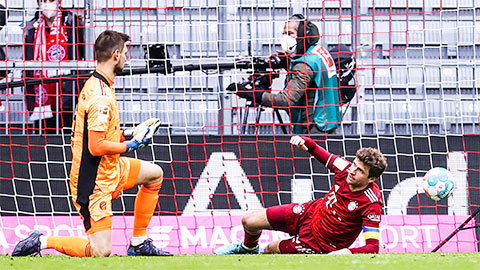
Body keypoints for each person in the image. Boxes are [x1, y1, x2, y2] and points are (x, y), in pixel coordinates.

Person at [12, 30, 172, 257]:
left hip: (111, 168)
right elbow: (96, 147)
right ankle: (42, 240)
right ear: (116, 55)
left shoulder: (99, 84)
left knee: (154, 174)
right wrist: (133, 144)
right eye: (126, 53)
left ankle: (138, 242)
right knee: (100, 252)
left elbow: (98, 133)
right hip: (93, 182)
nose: (127, 58)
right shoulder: (100, 96)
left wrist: (128, 133)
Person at [215, 135, 387, 255]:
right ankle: (247, 249)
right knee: (249, 221)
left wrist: (347, 252)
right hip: (309, 213)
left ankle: (262, 251)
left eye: (359, 171)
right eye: (354, 165)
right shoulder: (345, 168)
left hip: (318, 244)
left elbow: (372, 247)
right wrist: (303, 141)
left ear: (371, 178)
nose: (352, 171)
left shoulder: (371, 203)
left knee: (269, 250)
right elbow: (315, 148)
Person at [231, 14, 342, 134]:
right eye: (284, 34)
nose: (285, 37)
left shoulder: (303, 65)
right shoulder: (319, 52)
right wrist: (289, 63)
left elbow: (286, 100)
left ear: (303, 35)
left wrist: (249, 93)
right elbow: (312, 80)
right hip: (327, 123)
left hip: (313, 129)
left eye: (290, 33)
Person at [24, 0, 85, 133]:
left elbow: (81, 54)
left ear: (59, 2)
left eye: (50, 0)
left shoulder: (71, 23)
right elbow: (28, 64)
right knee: (44, 137)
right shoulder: (31, 26)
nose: (47, 4)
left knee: (69, 135)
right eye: (43, 1)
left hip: (67, 91)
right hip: (41, 92)